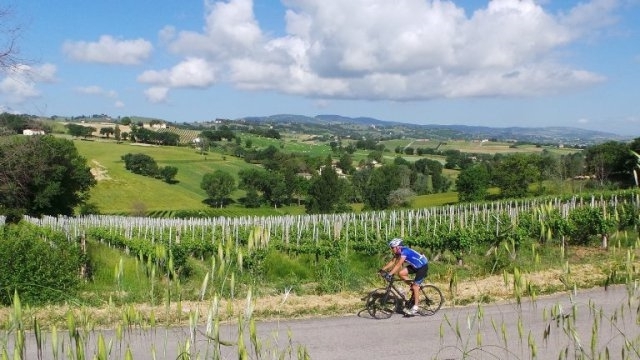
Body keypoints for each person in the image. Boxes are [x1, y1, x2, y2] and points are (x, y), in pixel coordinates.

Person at [380, 238, 429, 315]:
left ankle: (415, 307)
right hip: (415, 266)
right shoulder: (398, 251)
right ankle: (413, 286)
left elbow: (398, 264)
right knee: (401, 273)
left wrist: (390, 274)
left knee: (416, 287)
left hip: (422, 267)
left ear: (397, 247)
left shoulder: (404, 252)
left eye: (392, 247)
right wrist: (382, 269)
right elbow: (392, 261)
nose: (391, 249)